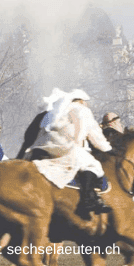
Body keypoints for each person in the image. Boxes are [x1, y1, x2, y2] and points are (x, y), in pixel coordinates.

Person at [24, 88, 113, 217]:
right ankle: (88, 200)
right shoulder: (82, 110)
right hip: (66, 147)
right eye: (86, 102)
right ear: (81, 101)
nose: (87, 104)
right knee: (93, 165)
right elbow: (95, 135)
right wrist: (108, 149)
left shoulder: (56, 110)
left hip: (46, 147)